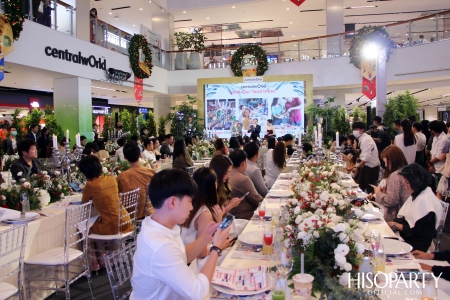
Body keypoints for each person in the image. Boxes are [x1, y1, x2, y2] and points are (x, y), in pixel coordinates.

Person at [130, 169, 230, 299]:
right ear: (172, 202)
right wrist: (216, 249)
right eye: (189, 201)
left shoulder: (155, 224)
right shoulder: (159, 245)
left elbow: (182, 255)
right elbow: (198, 291)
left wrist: (206, 236)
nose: (191, 207)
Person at [79, 155, 133, 271]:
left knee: (85, 228)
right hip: (125, 221)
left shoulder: (90, 185)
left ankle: (94, 261)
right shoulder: (111, 178)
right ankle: (104, 257)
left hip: (111, 226)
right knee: (97, 222)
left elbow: (85, 203)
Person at [181, 168, 230, 270]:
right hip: (193, 263)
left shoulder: (191, 204)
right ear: (214, 185)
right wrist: (220, 247)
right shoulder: (204, 213)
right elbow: (202, 253)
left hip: (185, 257)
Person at [387, 163, 442, 252]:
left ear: (416, 181)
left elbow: (418, 232)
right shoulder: (418, 193)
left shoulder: (425, 201)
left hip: (418, 246)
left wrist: (396, 225)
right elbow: (404, 217)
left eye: (407, 183)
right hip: (408, 238)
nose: (405, 186)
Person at [369, 146, 410, 222]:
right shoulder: (407, 171)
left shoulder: (396, 175)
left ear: (391, 160)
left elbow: (391, 201)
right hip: (407, 214)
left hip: (398, 216)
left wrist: (378, 193)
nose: (385, 165)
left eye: (385, 162)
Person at [117, 141, 156, 219]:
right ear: (140, 155)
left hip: (129, 215)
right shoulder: (151, 172)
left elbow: (117, 196)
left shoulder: (122, 176)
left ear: (125, 157)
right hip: (150, 212)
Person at [228, 149, 263, 220]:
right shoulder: (243, 179)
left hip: (231, 215)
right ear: (243, 163)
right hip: (244, 216)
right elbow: (256, 199)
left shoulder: (227, 175)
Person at [352, 121, 380, 194]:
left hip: (371, 167)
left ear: (362, 130)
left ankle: (372, 203)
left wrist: (357, 168)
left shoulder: (365, 139)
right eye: (354, 129)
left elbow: (366, 157)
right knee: (359, 186)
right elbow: (364, 153)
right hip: (366, 166)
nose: (354, 131)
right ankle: (358, 201)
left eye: (356, 129)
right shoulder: (362, 138)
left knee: (370, 190)